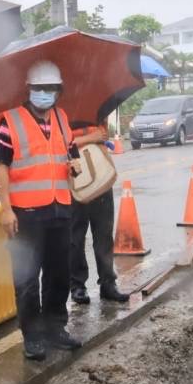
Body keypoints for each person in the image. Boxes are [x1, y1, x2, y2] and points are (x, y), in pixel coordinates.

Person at [0, 60, 83, 362]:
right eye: (40, 88)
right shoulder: (12, 121)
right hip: (26, 212)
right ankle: (32, 335)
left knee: (59, 273)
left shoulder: (61, 118)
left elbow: (71, 154)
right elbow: (1, 166)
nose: (45, 94)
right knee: (28, 278)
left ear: (58, 91)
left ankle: (55, 327)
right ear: (29, 89)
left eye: (51, 89)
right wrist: (5, 209)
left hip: (60, 207)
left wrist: (75, 165)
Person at [68, 121, 130, 306]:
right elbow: (57, 144)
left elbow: (103, 135)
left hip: (101, 179)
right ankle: (77, 286)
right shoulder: (59, 113)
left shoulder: (97, 109)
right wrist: (89, 139)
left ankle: (108, 283)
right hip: (74, 183)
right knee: (75, 238)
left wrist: (99, 136)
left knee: (103, 235)